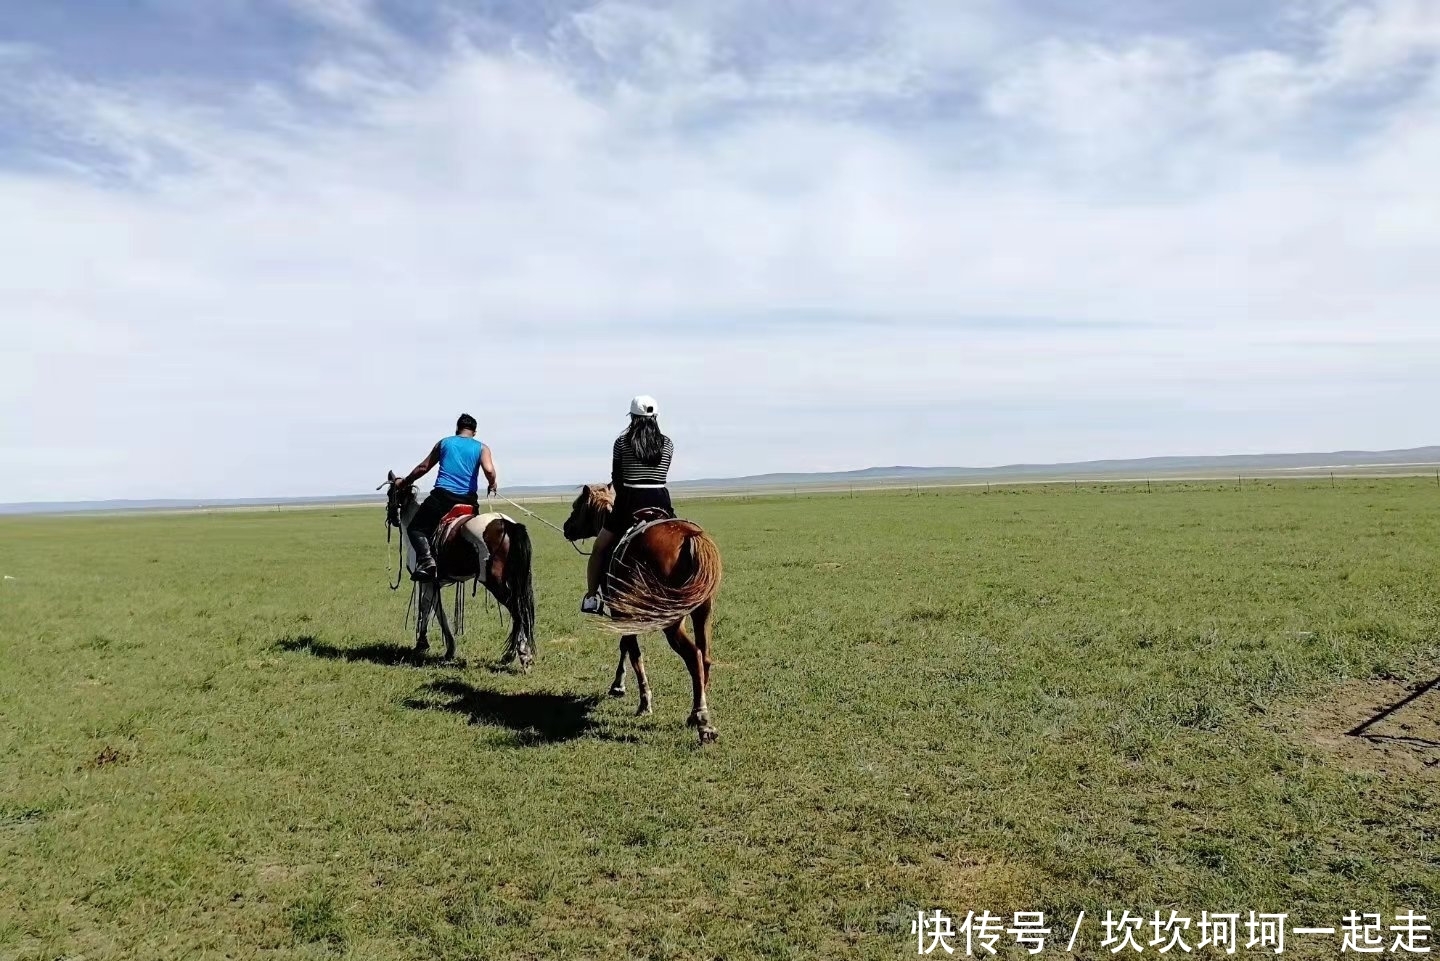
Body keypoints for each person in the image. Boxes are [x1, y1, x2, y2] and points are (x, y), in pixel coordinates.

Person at [582, 395, 674, 614]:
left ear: (632, 417)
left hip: (630, 502)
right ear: (655, 416)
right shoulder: (668, 443)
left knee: (600, 548)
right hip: (662, 501)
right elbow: (661, 473)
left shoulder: (622, 443)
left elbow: (617, 476)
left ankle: (592, 597)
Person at [396, 413, 498, 581]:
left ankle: (427, 562)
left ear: (457, 428)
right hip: (469, 502)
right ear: (474, 432)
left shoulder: (445, 443)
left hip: (443, 498)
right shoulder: (482, 447)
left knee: (415, 528)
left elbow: (423, 468)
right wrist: (492, 483)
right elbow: (489, 470)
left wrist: (405, 482)